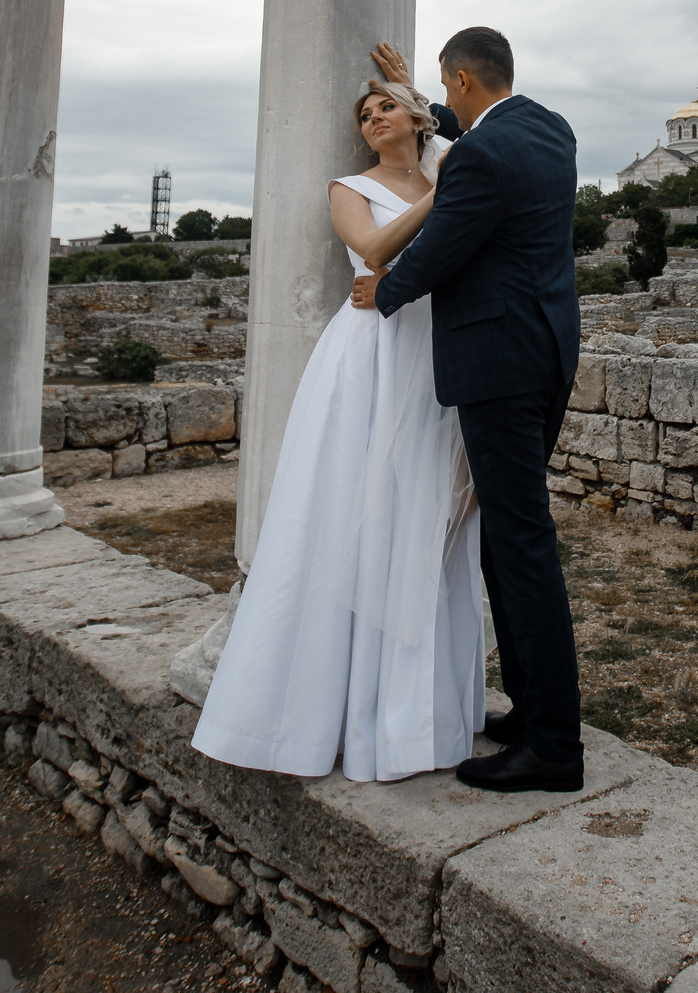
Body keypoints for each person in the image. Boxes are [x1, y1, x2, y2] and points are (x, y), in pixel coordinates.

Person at [193, 73, 486, 784]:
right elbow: (376, 249)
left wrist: (438, 141)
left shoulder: (452, 166)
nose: (374, 118)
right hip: (370, 354)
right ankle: (334, 713)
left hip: (436, 354)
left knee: (429, 520)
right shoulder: (347, 187)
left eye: (387, 106)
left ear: (418, 119)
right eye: (364, 113)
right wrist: (444, 197)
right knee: (352, 514)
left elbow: (471, 156)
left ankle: (419, 718)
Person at [352, 29, 584, 793]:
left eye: (446, 92)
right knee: (505, 539)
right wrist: (418, 95)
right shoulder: (549, 129)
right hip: (546, 351)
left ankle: (553, 744)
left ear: (462, 77)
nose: (444, 105)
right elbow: (465, 134)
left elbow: (444, 243)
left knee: (519, 543)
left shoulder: (483, 157)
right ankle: (532, 705)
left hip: (498, 364)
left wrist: (381, 289)